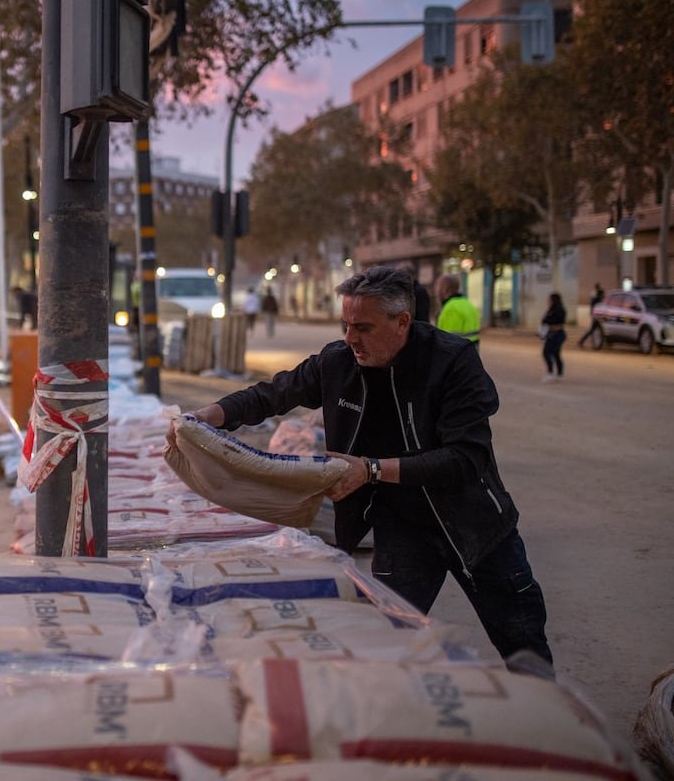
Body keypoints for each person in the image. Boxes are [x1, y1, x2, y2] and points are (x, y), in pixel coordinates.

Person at [169, 266, 553, 675]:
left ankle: (553, 723)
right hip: (402, 529)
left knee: (523, 644)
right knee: (386, 646)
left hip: (475, 525)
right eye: (346, 324)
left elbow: (464, 458)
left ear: (401, 322)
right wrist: (213, 414)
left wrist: (371, 470)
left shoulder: (452, 362)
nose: (351, 337)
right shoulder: (339, 362)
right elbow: (275, 393)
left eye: (363, 327)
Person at [434, 273, 481, 350]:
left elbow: (448, 341)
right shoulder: (468, 304)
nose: (436, 291)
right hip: (471, 353)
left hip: (457, 356)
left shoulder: (451, 308)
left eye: (438, 287)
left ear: (444, 288)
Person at [541, 292, 566, 382]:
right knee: (548, 353)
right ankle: (553, 373)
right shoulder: (550, 310)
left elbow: (557, 321)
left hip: (557, 334)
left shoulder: (559, 310)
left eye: (549, 299)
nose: (548, 301)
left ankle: (555, 373)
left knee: (553, 353)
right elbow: (544, 320)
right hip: (550, 334)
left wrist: (549, 322)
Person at [577, 283, 605, 348]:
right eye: (602, 294)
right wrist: (595, 316)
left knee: (594, 330)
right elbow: (595, 309)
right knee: (594, 330)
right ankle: (584, 342)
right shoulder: (597, 299)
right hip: (596, 316)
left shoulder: (595, 298)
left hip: (595, 316)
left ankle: (589, 343)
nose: (603, 295)